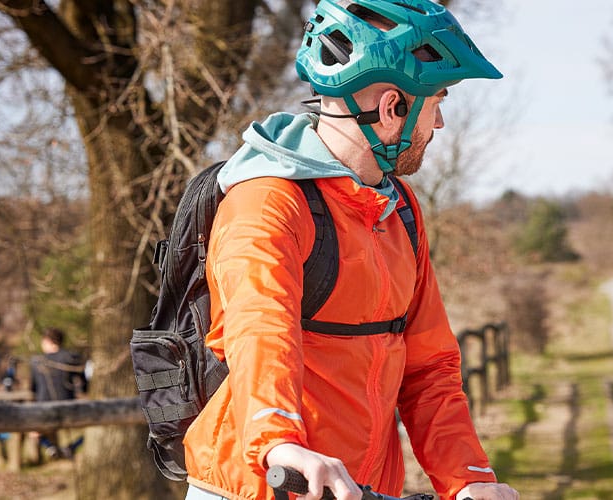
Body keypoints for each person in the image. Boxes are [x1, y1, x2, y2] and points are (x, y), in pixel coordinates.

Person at [183, 1, 518, 499]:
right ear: (392, 108)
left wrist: (468, 479)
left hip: (360, 490)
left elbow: (429, 370)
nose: (440, 124)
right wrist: (278, 441)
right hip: (261, 481)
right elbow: (259, 329)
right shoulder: (267, 202)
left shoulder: (398, 208)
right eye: (437, 103)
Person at [30, 327, 87, 460]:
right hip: (68, 406)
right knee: (94, 428)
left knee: (33, 431)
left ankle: (50, 448)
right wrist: (83, 391)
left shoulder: (36, 361)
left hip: (43, 408)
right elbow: (83, 382)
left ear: (47, 341)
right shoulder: (71, 357)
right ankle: (71, 447)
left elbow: (33, 388)